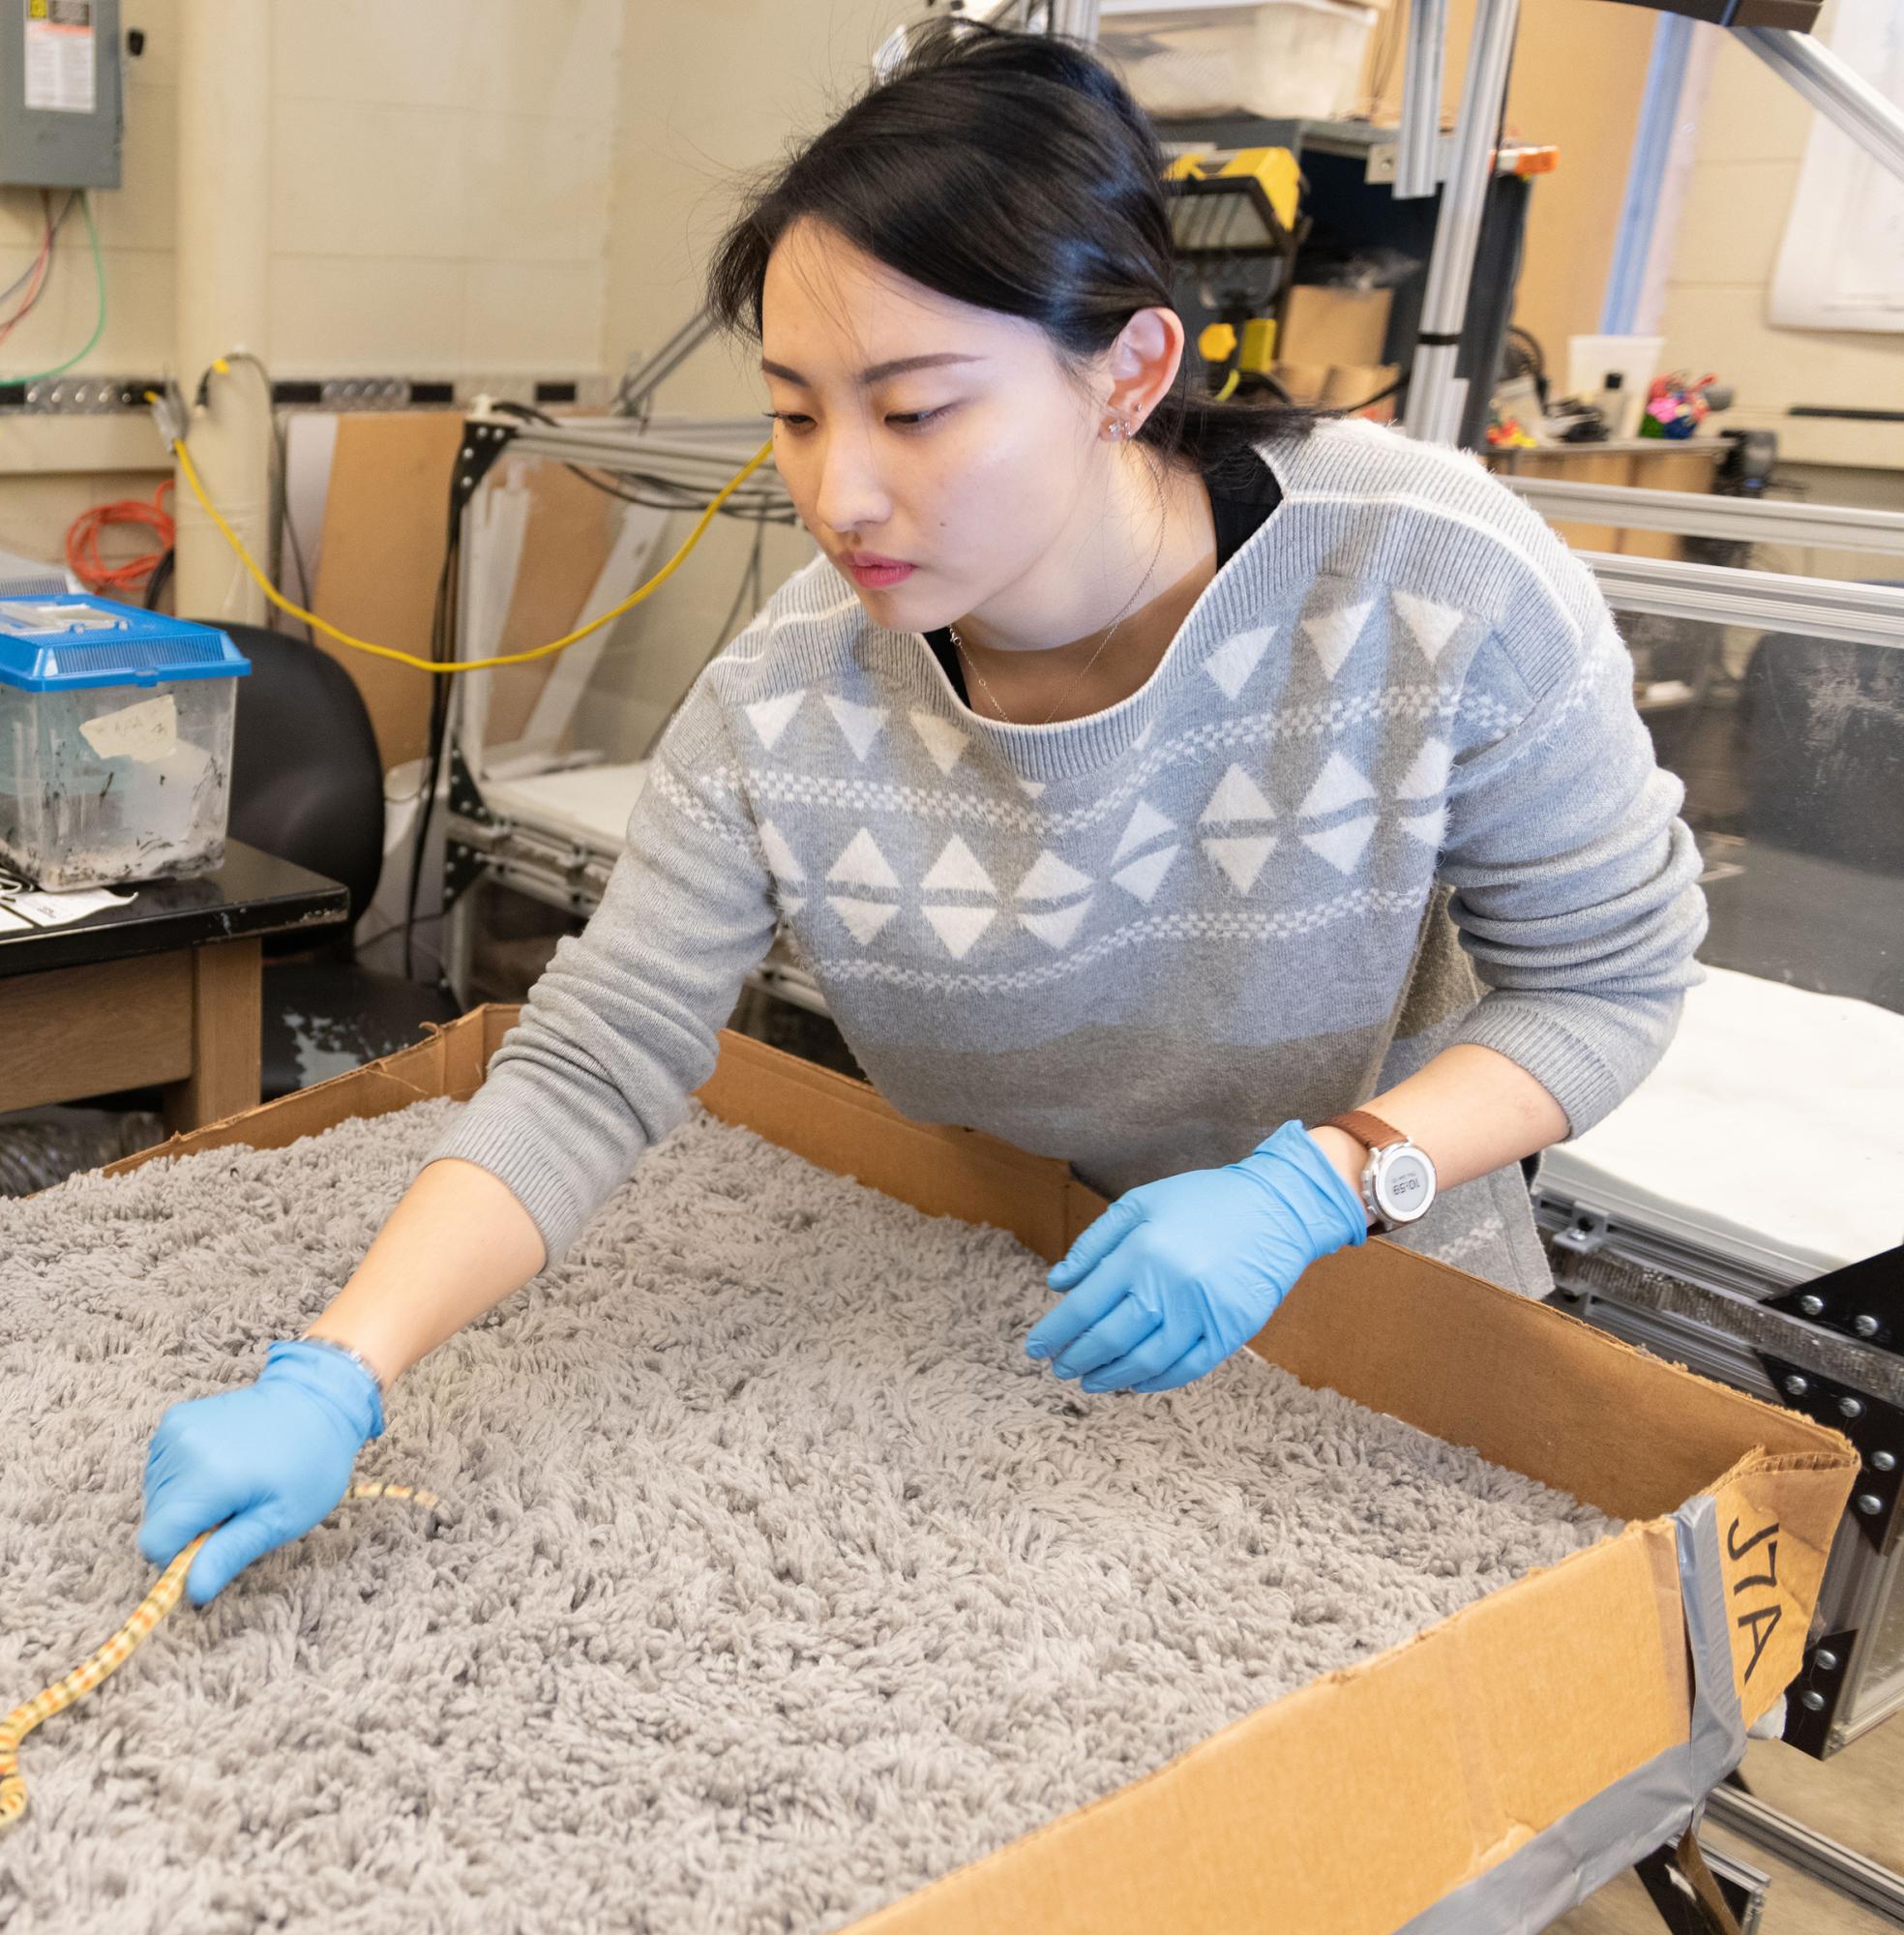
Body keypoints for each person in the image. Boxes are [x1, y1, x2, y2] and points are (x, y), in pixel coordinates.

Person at [136, 21, 1705, 1604]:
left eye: (916, 409)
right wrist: (337, 1368)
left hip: (1393, 1310)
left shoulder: (1430, 580)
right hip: (1018, 1307)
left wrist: (1317, 1186)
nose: (842, 495)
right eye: (799, 414)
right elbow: (598, 1058)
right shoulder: (787, 705)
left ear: (1130, 370)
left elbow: (1611, 983)